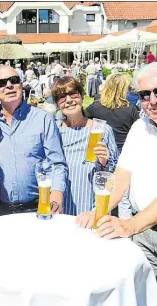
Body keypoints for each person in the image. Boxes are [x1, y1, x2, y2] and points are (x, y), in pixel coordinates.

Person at [77, 62, 157, 306]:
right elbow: (121, 176)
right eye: (144, 94)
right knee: (143, 299)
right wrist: (99, 211)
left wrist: (130, 225)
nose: (153, 100)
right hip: (144, 235)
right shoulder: (140, 128)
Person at [0, 65, 68, 216]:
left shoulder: (43, 119)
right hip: (0, 210)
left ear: (21, 85)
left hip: (38, 206)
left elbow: (57, 163)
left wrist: (56, 195)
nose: (8, 85)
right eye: (1, 83)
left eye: (13, 80)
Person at [52, 76, 118, 215]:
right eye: (62, 97)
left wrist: (105, 162)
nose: (69, 100)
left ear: (82, 96)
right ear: (57, 103)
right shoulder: (54, 132)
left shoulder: (102, 130)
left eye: (73, 94)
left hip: (92, 210)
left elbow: (116, 176)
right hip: (61, 211)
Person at [85, 73, 140, 153]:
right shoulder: (131, 109)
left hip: (100, 150)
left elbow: (83, 123)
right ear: (125, 89)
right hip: (122, 152)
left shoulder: (95, 107)